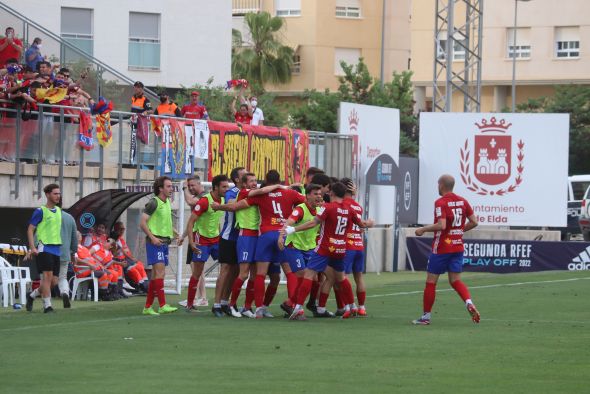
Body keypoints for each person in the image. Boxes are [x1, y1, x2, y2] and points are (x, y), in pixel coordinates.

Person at [214, 170, 305, 318]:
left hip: (262, 236)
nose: (254, 183)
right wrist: (285, 188)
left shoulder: (259, 195)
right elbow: (306, 203)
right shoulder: (251, 193)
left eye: (255, 180)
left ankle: (257, 308)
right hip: (265, 235)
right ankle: (231, 305)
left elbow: (242, 203)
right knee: (283, 272)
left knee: (263, 275)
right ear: (243, 184)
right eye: (251, 181)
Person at [284, 182, 374, 321]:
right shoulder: (349, 209)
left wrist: (293, 229)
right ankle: (352, 306)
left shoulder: (327, 207)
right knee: (340, 277)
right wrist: (369, 223)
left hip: (325, 248)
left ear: (331, 193)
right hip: (340, 248)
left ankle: (298, 308)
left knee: (309, 275)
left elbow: (314, 223)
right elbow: (361, 224)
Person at [412, 174, 481, 325]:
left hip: (442, 247)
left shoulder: (441, 202)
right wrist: (458, 231)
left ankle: (426, 317)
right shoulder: (463, 201)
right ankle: (468, 302)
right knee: (455, 280)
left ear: (441, 185)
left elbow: (441, 225)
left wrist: (423, 229)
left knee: (431, 282)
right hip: (457, 246)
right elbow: (474, 222)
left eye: (438, 184)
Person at [180, 174, 229, 315]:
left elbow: (216, 220)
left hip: (216, 239)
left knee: (227, 266)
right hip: (201, 240)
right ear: (216, 187)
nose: (226, 189)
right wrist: (191, 241)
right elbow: (191, 222)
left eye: (227, 186)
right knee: (197, 272)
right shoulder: (204, 201)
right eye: (224, 187)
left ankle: (221, 301)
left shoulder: (224, 199)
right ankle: (190, 304)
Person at [278, 184, 324, 316]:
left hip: (309, 248)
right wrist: (281, 237)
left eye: (320, 194)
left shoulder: (320, 210)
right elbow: (288, 222)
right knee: (303, 275)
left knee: (314, 280)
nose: (319, 196)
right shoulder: (300, 209)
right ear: (308, 195)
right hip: (294, 246)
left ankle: (290, 303)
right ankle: (296, 306)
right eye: (315, 194)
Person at [139, 176, 179, 315]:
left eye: (171, 186)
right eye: (168, 186)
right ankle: (162, 305)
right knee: (160, 273)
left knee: (158, 274)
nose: (171, 189)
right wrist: (152, 237)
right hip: (155, 242)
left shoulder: (167, 202)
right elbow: (143, 223)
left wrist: (176, 233)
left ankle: (148, 307)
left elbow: (165, 223)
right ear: (160, 188)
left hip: (164, 242)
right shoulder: (153, 203)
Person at [214, 167, 246, 317]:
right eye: (244, 174)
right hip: (228, 237)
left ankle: (226, 302)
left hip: (241, 237)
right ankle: (216, 304)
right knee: (225, 270)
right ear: (237, 179)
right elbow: (232, 205)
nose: (247, 176)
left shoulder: (247, 192)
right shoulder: (231, 193)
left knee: (236, 272)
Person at [25, 184, 62, 313]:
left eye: (59, 193)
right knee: (46, 278)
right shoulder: (40, 211)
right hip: (44, 248)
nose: (58, 196)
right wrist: (32, 247)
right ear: (47, 195)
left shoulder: (58, 211)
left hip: (57, 249)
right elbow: (30, 229)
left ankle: (32, 295)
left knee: (54, 282)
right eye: (55, 193)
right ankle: (47, 306)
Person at [179, 176, 208, 308]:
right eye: (189, 186)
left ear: (199, 183)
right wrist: (184, 236)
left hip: (201, 237)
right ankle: (199, 297)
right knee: (196, 267)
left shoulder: (203, 196)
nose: (190, 188)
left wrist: (184, 187)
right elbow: (192, 221)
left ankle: (202, 297)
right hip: (195, 235)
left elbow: (190, 201)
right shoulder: (200, 196)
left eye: (192, 185)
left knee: (197, 268)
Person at [341, 178, 367, 316]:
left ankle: (347, 307)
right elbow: (361, 227)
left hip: (347, 245)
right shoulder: (358, 206)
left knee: (342, 277)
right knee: (359, 278)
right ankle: (362, 307)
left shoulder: (343, 204)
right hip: (359, 244)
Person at [73, 232, 115, 301]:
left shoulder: (84, 248)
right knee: (103, 274)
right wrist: (89, 264)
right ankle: (103, 295)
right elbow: (75, 259)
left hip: (90, 270)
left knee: (109, 273)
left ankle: (105, 294)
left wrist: (101, 266)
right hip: (83, 271)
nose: (79, 236)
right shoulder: (74, 247)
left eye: (80, 235)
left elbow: (91, 259)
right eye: (77, 235)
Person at [112, 222, 149, 293]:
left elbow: (127, 252)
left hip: (126, 259)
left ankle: (146, 285)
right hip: (119, 260)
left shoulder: (121, 240)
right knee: (133, 269)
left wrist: (133, 259)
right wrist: (131, 259)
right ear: (116, 229)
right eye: (121, 229)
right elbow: (119, 252)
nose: (122, 231)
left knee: (139, 265)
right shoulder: (113, 239)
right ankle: (143, 286)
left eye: (123, 229)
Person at [58, 207, 78, 308]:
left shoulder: (47, 215)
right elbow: (75, 238)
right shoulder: (70, 218)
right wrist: (73, 253)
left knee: (46, 278)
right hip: (65, 253)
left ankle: (45, 303)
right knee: (63, 278)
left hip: (49, 252)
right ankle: (65, 292)